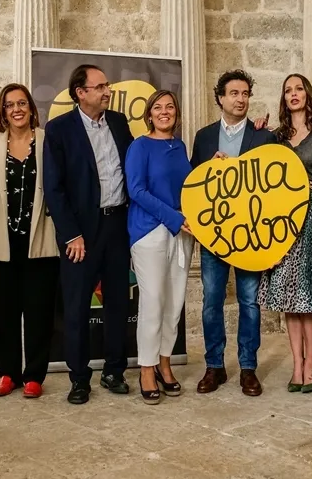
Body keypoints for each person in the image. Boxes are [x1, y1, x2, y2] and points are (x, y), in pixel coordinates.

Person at [43, 64, 134, 405]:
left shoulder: (119, 123)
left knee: (117, 304)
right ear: (80, 92)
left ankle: (114, 371)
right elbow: (54, 187)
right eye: (99, 87)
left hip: (117, 227)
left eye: (107, 86)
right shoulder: (59, 129)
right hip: (81, 233)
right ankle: (79, 378)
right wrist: (71, 235)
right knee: (77, 307)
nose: (106, 91)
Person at [190, 69, 275, 397]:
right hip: (214, 235)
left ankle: (248, 368)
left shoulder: (263, 137)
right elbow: (195, 186)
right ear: (221, 99)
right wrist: (210, 169)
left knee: (249, 301)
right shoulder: (204, 137)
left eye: (245, 94)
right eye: (234, 94)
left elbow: (272, 189)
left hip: (251, 235)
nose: (241, 99)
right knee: (212, 300)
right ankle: (214, 366)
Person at [257, 73, 312, 393]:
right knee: (289, 297)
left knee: (311, 294)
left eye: (299, 89)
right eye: (288, 90)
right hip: (284, 217)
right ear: (284, 98)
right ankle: (296, 364)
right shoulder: (276, 137)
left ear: (308, 94)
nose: (294, 94)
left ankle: (311, 365)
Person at [0, 83, 60, 399]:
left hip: (41, 236)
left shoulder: (46, 142)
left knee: (39, 311)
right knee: (6, 311)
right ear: (3, 111)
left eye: (22, 103)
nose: (17, 109)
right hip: (2, 239)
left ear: (31, 108)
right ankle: (8, 373)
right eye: (10, 105)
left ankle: (35, 375)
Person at [125, 90, 194, 405]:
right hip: (149, 231)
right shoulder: (139, 147)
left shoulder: (178, 146)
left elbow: (190, 186)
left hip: (181, 234)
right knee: (152, 301)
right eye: (158, 107)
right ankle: (147, 368)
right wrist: (173, 218)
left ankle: (166, 362)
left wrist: (214, 167)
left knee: (174, 301)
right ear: (149, 114)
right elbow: (136, 189)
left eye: (170, 107)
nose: (164, 112)